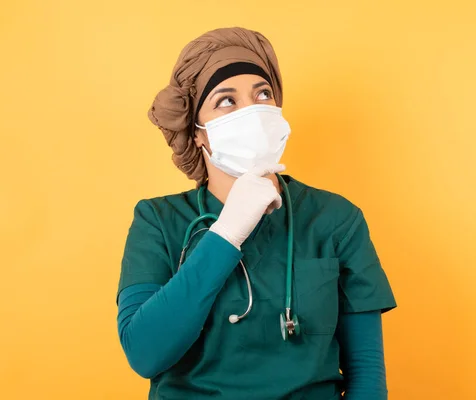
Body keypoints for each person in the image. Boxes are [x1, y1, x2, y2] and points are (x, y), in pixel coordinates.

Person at [116, 27, 396, 400]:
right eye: (226, 101)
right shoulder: (158, 221)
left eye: (263, 94)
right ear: (198, 133)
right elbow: (144, 353)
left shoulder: (335, 219)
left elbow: (367, 376)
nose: (253, 111)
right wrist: (228, 232)